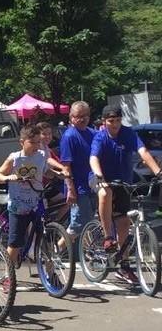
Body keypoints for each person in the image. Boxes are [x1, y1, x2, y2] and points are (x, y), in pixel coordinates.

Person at [89, 104, 162, 285]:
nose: (115, 125)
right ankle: (107, 237)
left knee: (123, 222)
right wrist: (100, 176)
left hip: (123, 181)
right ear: (104, 122)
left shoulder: (128, 134)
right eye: (111, 121)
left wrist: (158, 172)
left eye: (118, 121)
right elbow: (93, 158)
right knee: (105, 193)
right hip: (100, 178)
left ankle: (123, 265)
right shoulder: (100, 137)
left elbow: (143, 152)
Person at [0, 125, 58, 268]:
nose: (36, 146)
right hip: (18, 205)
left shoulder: (41, 156)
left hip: (37, 202)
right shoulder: (15, 158)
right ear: (22, 142)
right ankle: (8, 276)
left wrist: (59, 174)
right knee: (15, 243)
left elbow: (46, 172)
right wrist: (10, 178)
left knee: (44, 240)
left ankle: (51, 274)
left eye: (37, 142)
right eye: (32, 142)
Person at [60, 101, 96, 241]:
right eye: (77, 116)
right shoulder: (70, 136)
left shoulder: (93, 133)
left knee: (90, 222)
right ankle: (56, 252)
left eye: (84, 115)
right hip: (78, 187)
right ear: (71, 117)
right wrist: (70, 189)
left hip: (93, 184)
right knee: (78, 224)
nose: (81, 119)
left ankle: (88, 255)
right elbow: (66, 166)